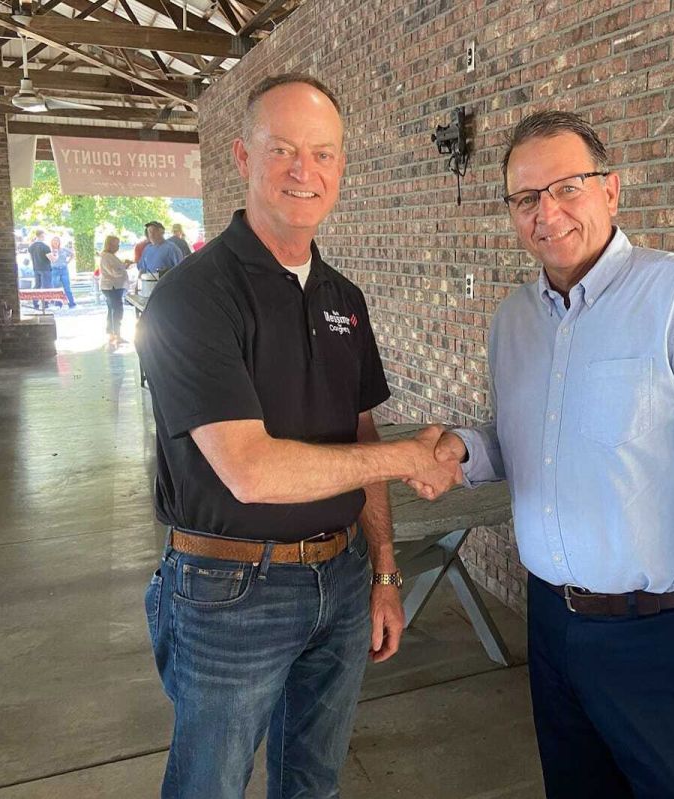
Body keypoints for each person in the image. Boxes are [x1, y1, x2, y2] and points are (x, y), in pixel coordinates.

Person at [412, 111, 674, 799]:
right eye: (527, 198)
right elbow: (528, 441)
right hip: (555, 629)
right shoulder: (514, 321)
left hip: (670, 639)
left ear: (611, 190)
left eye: (567, 188)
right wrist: (463, 450)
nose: (548, 213)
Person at [136, 73, 458, 799]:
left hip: (340, 581)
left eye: (322, 153)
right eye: (281, 149)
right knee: (207, 786)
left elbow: (358, 435)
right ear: (243, 159)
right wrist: (413, 456)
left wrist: (382, 570)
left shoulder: (345, 298)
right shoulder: (194, 297)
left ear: (341, 167)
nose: (303, 171)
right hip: (230, 590)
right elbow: (250, 470)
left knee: (312, 780)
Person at [98, 235, 130, 347]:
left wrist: (123, 266)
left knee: (112, 310)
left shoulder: (110, 256)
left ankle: (112, 333)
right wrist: (123, 267)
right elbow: (114, 272)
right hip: (112, 287)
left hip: (113, 287)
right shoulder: (107, 257)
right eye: (116, 244)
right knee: (117, 310)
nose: (118, 247)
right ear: (110, 245)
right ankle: (117, 334)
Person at [49, 235, 77, 308]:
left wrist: (68, 262)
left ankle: (72, 303)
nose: (56, 242)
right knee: (55, 287)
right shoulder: (50, 250)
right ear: (52, 242)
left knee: (67, 287)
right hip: (55, 269)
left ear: (59, 242)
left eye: (57, 241)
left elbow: (73, 254)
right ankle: (58, 303)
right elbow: (50, 259)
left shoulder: (63, 249)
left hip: (64, 269)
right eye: (54, 241)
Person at [27, 230, 53, 310]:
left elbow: (31, 258)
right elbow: (52, 259)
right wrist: (56, 256)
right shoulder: (45, 246)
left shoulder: (31, 246)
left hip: (36, 268)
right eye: (44, 235)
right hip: (45, 268)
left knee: (37, 286)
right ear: (42, 235)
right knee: (46, 286)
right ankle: (45, 304)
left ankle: (35, 303)